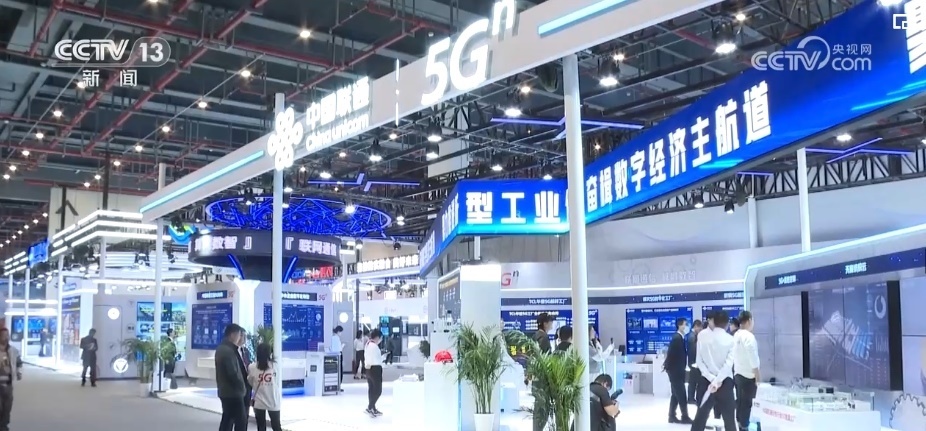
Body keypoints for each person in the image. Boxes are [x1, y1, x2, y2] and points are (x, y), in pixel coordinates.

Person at [690, 311, 736, 431]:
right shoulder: (731, 340)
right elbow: (728, 364)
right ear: (727, 324)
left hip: (706, 382)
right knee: (729, 420)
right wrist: (717, 380)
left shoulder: (702, 336)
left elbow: (699, 361)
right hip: (725, 383)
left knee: (700, 418)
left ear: (713, 322)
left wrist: (711, 379)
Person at [215, 324, 248, 431]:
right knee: (240, 421)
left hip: (227, 391)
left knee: (227, 420)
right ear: (232, 335)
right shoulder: (228, 351)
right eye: (239, 335)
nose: (240, 338)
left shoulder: (223, 348)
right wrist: (242, 388)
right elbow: (233, 373)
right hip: (233, 392)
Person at [733, 311, 760, 431]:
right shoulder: (749, 336)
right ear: (749, 320)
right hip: (749, 376)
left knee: (740, 402)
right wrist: (758, 376)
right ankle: (744, 427)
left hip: (738, 374)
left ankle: (740, 425)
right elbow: (753, 358)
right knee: (747, 404)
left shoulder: (736, 335)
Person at [248, 343, 282, 431]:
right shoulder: (275, 366)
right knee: (276, 426)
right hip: (273, 400)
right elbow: (277, 381)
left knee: (261, 427)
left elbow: (250, 382)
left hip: (259, 401)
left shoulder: (252, 367)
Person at [665, 317, 692, 424]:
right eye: (685, 324)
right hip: (675, 372)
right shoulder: (677, 338)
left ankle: (671, 416)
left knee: (675, 394)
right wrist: (670, 368)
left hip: (676, 370)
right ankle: (685, 416)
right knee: (681, 394)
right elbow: (671, 355)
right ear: (680, 325)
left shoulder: (680, 337)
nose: (686, 326)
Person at [532, 313, 555, 431]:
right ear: (545, 323)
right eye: (550, 321)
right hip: (542, 378)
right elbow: (544, 358)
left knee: (539, 407)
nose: (552, 324)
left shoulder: (535, 336)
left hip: (537, 377)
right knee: (542, 409)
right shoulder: (543, 337)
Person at [0, 328, 22, 431]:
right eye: (3, 335)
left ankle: (4, 426)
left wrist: (19, 372)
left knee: (7, 408)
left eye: (7, 335)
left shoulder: (13, 350)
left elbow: (19, 362)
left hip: (8, 384)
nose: (6, 337)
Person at [364, 329, 385, 417]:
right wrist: (383, 358)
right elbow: (377, 359)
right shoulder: (374, 346)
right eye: (380, 338)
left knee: (371, 389)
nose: (381, 340)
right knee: (378, 390)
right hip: (375, 369)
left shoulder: (368, 344)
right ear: (377, 337)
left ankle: (373, 408)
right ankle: (370, 407)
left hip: (368, 369)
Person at [687, 320, 703, 404]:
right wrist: (695, 362)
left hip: (693, 362)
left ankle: (691, 398)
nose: (700, 330)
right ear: (696, 326)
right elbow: (693, 350)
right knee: (693, 381)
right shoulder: (692, 336)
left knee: (693, 381)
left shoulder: (692, 335)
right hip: (694, 362)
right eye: (699, 328)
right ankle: (691, 398)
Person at [329, 326, 344, 390]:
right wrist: (342, 346)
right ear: (338, 331)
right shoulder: (336, 338)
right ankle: (339, 386)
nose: (341, 334)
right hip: (338, 355)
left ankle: (337, 385)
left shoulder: (332, 338)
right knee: (340, 371)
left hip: (335, 355)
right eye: (341, 332)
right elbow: (338, 349)